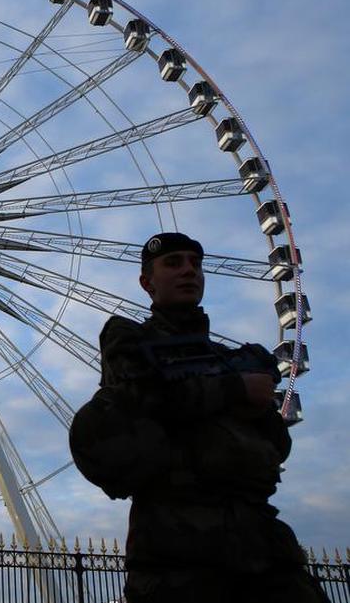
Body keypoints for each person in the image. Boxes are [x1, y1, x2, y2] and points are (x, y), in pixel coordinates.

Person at [69, 232, 329, 603]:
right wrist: (233, 393)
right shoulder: (129, 337)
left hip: (259, 536)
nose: (188, 271)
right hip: (177, 542)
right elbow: (139, 399)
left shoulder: (233, 357)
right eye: (173, 263)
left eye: (195, 263)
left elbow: (276, 443)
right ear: (147, 282)